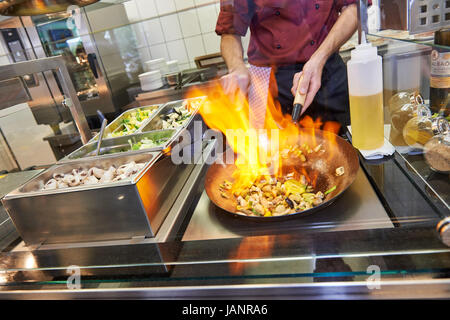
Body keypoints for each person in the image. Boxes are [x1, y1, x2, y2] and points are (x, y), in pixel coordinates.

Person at [215, 0, 360, 127]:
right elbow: (229, 31)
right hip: (272, 82)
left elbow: (354, 8)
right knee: (276, 151)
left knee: (345, 149)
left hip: (328, 72)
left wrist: (319, 58)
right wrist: (237, 67)